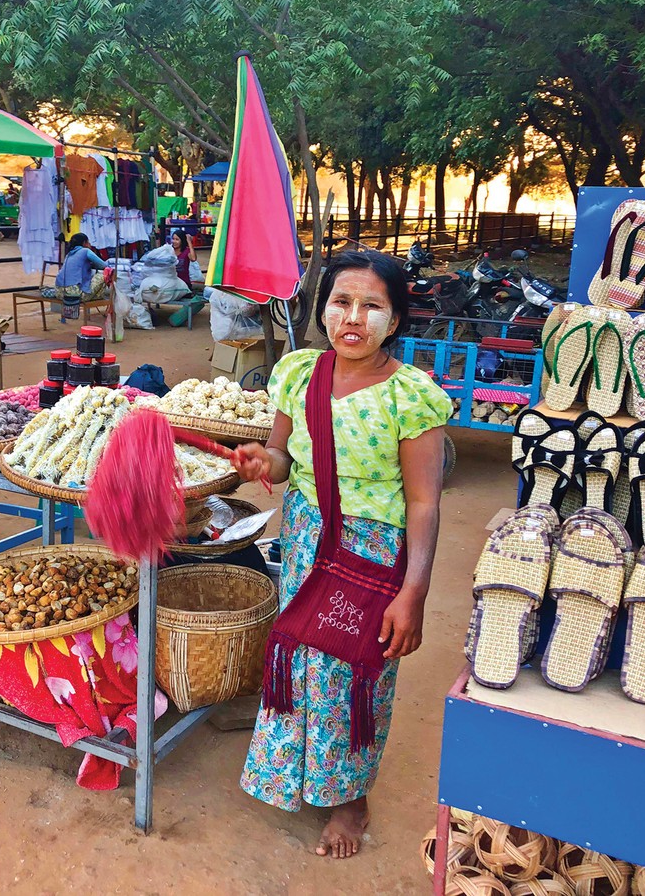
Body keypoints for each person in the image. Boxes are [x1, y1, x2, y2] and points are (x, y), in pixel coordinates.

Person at [231, 250, 452, 859]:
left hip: (372, 554)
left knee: (353, 673)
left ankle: (350, 798)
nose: (353, 318)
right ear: (322, 308)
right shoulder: (299, 374)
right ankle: (299, 776)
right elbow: (283, 458)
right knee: (301, 664)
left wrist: (414, 592)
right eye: (340, 302)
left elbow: (425, 505)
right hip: (306, 542)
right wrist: (260, 463)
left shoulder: (413, 397)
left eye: (372, 306)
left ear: (396, 321)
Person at [52, 233, 106, 322]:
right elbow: (103, 265)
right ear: (84, 243)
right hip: (74, 295)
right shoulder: (85, 251)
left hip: (59, 293)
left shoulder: (69, 254)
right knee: (103, 275)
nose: (90, 244)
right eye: (88, 242)